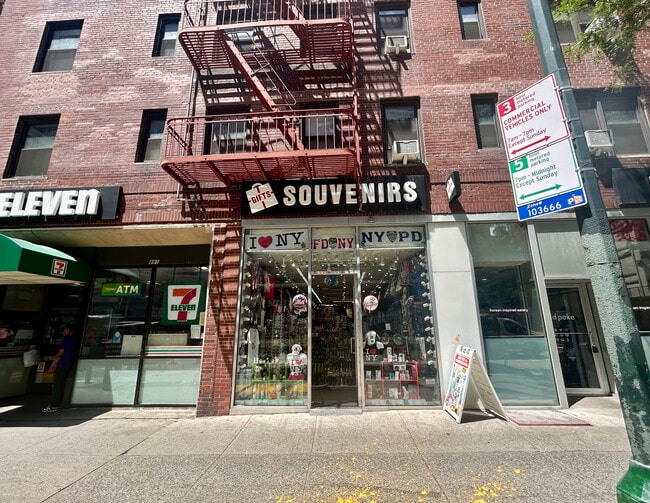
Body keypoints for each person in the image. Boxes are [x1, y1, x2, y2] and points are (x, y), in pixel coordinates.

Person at [42, 325, 75, 413]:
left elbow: (60, 354)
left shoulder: (66, 340)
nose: (64, 332)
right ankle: (58, 403)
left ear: (72, 332)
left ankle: (54, 405)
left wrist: (51, 366)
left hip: (62, 364)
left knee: (57, 384)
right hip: (68, 365)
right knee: (60, 384)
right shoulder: (73, 341)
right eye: (64, 330)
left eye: (66, 330)